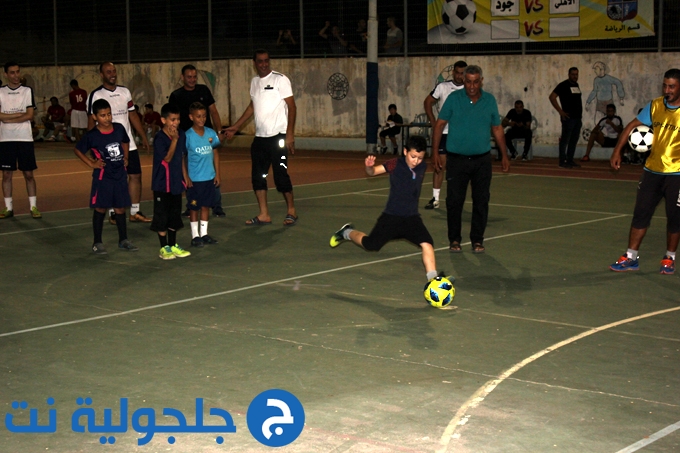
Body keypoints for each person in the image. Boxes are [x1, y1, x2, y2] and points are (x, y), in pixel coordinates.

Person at [330, 135, 445, 283]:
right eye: (413, 156)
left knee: (427, 244)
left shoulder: (422, 167)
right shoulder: (395, 164)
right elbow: (372, 172)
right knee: (370, 244)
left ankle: (433, 281)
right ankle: (346, 232)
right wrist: (369, 166)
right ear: (405, 151)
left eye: (420, 158)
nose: (416, 161)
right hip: (391, 217)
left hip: (411, 218)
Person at [431, 65, 510, 253]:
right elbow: (440, 124)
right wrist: (434, 152)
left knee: (481, 200)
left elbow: (497, 128)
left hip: (482, 161)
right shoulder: (453, 99)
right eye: (468, 81)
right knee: (454, 201)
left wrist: (504, 155)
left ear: (481, 81)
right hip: (457, 160)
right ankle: (455, 240)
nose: (472, 86)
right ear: (464, 82)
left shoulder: (489, 100)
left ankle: (477, 240)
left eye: (476, 81)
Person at [609, 68, 680, 275]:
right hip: (652, 171)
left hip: (677, 174)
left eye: (672, 86)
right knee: (640, 214)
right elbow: (632, 125)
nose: (667, 90)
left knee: (675, 218)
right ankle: (631, 257)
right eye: (665, 85)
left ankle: (669, 257)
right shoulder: (655, 105)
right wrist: (617, 151)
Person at [225, 49, 298, 227]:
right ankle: (264, 214)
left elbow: (292, 107)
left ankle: (291, 210)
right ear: (255, 63)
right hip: (260, 139)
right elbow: (252, 107)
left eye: (266, 61)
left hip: (278, 137)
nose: (264, 64)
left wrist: (289, 134)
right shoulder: (255, 82)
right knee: (258, 176)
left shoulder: (280, 79)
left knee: (281, 175)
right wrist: (236, 126)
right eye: (260, 61)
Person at [87, 61, 151, 224]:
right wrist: (91, 146)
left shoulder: (125, 92)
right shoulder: (95, 95)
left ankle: (135, 211)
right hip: (107, 147)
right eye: (108, 72)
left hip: (128, 143)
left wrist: (143, 135)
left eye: (114, 71)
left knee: (135, 175)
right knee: (112, 179)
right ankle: (113, 213)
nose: (112, 74)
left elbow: (133, 115)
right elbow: (90, 123)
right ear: (101, 75)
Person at [73, 99, 139, 254]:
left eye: (109, 114)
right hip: (103, 177)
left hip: (120, 175)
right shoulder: (93, 135)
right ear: (95, 117)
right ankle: (97, 242)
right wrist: (91, 163)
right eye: (103, 115)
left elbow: (125, 141)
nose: (107, 118)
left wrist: (126, 157)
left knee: (120, 208)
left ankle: (123, 239)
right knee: (101, 208)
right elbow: (78, 150)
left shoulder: (119, 128)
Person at [168, 64, 225, 217]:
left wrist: (219, 132)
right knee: (189, 171)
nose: (192, 80)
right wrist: (174, 136)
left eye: (194, 77)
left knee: (212, 170)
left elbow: (213, 111)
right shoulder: (176, 95)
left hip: (206, 139)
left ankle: (216, 204)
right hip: (187, 140)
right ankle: (191, 204)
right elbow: (172, 118)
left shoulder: (203, 90)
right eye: (189, 77)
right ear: (182, 77)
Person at [423, 60, 467, 209]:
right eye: (457, 72)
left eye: (462, 73)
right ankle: (435, 199)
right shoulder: (443, 87)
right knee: (439, 166)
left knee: (458, 169)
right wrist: (433, 121)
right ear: (453, 72)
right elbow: (428, 102)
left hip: (461, 135)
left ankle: (456, 200)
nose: (460, 76)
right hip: (443, 133)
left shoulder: (470, 89)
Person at [150, 103, 191, 260]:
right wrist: (174, 140)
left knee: (174, 214)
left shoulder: (182, 134)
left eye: (178, 119)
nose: (176, 123)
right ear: (163, 120)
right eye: (172, 119)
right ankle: (164, 247)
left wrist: (185, 177)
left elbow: (180, 156)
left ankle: (173, 244)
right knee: (162, 215)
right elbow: (167, 158)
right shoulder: (160, 138)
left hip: (175, 182)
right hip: (162, 183)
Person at [0, 62, 41, 219]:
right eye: (12, 73)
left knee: (29, 174)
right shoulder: (1, 92)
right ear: (6, 74)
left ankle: (33, 207)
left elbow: (30, 115)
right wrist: (18, 116)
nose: (16, 76)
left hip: (24, 138)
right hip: (5, 139)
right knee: (7, 175)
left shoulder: (27, 91)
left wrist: (7, 118)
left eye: (17, 72)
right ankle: (8, 208)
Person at [183, 102, 222, 247]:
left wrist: (217, 174)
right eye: (198, 116)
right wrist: (186, 176)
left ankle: (204, 234)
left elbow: (216, 153)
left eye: (204, 116)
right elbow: (182, 158)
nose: (202, 119)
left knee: (206, 205)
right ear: (191, 117)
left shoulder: (211, 133)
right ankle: (195, 235)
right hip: (195, 180)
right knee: (194, 207)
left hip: (209, 178)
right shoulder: (187, 136)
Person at [549, 67, 583, 169]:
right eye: (573, 74)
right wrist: (560, 111)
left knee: (573, 140)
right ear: (569, 74)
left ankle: (570, 160)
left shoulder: (576, 85)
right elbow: (552, 97)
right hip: (568, 118)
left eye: (576, 74)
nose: (575, 76)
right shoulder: (563, 85)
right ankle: (562, 161)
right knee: (565, 140)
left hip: (577, 118)